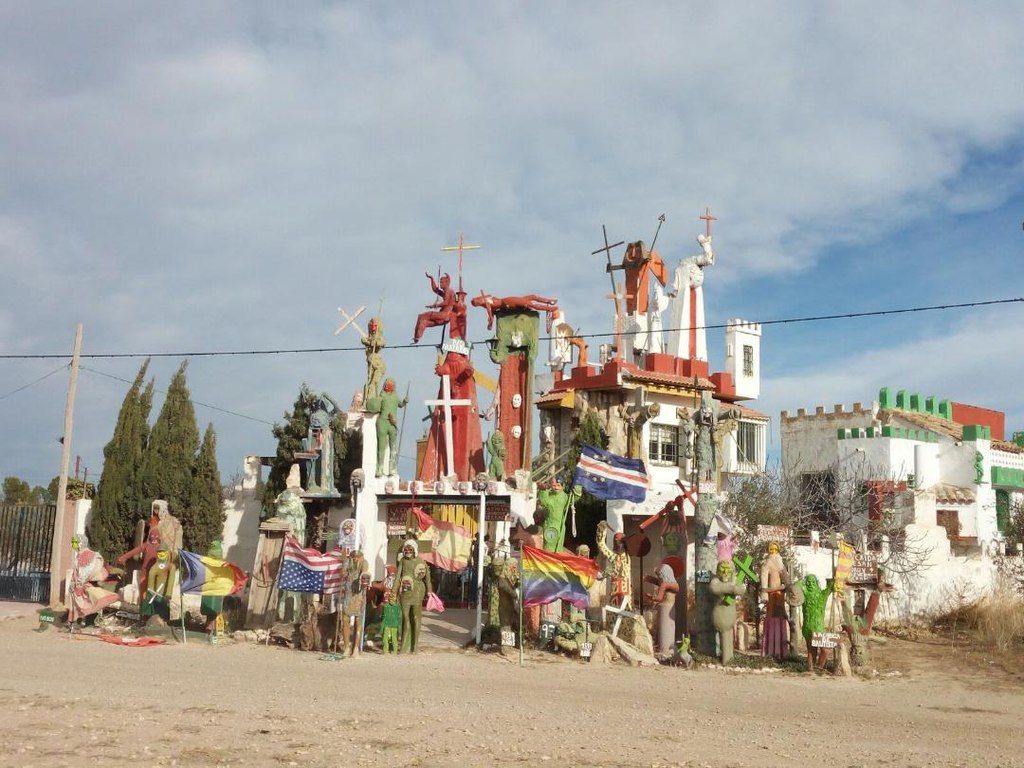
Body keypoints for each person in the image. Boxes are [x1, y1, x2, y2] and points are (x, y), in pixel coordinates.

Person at [393, 540, 432, 653]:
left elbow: (427, 577)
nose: (408, 551)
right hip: (405, 591)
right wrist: (394, 591)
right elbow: (398, 577)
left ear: (414, 550)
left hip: (417, 592)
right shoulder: (403, 561)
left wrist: (429, 591)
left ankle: (415, 646)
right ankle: (404, 646)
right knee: (405, 617)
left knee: (416, 617)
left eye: (410, 549)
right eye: (406, 549)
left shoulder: (421, 562)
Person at [644, 561, 679, 657]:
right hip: (664, 607)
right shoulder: (669, 583)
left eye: (659, 575)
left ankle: (666, 651)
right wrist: (650, 579)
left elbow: (659, 597)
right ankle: (662, 648)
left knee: (666, 631)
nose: (658, 577)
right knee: (662, 630)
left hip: (668, 608)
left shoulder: (666, 584)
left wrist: (652, 598)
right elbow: (659, 583)